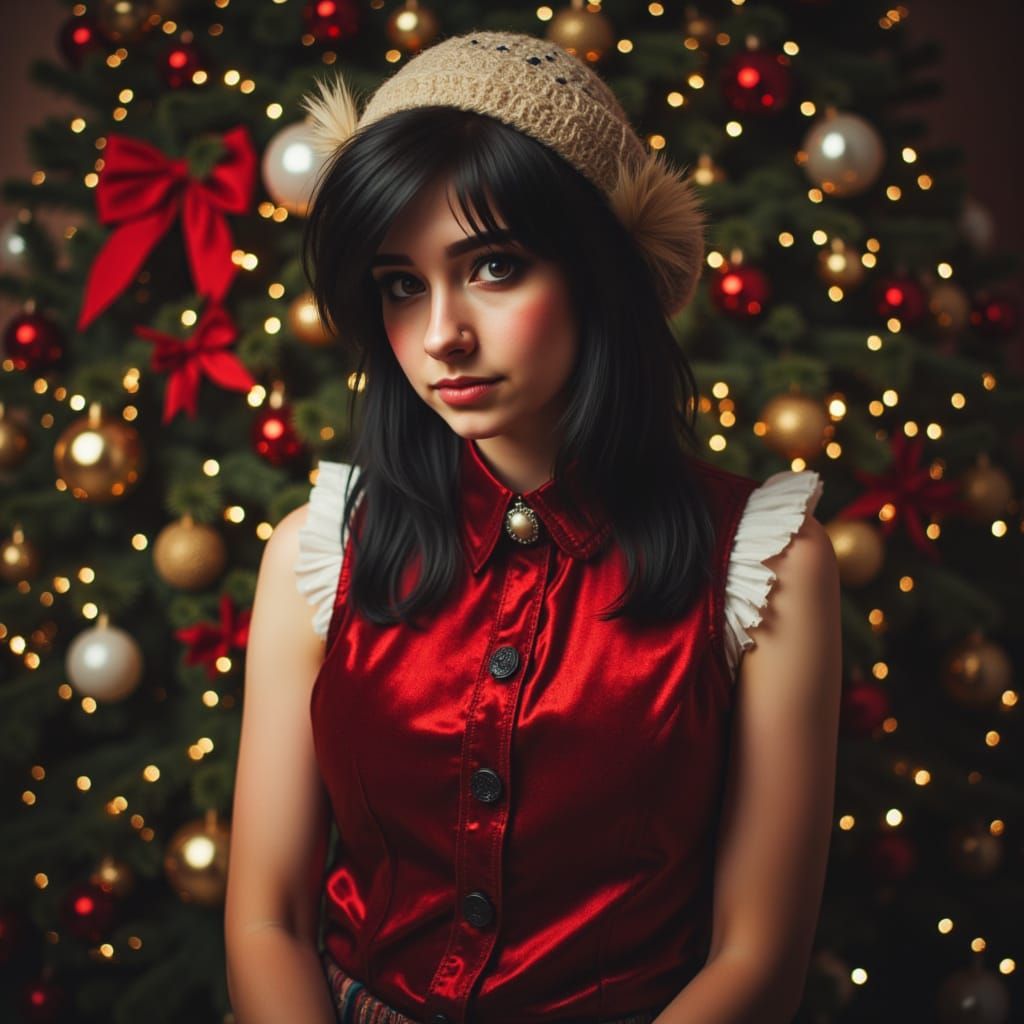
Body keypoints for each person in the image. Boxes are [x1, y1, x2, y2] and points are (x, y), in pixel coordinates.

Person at [224, 29, 842, 1024]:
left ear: (600, 271)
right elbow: (267, 920)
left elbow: (756, 957)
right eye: (399, 283)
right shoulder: (316, 550)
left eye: (494, 265)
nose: (440, 335)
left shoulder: (764, 558)